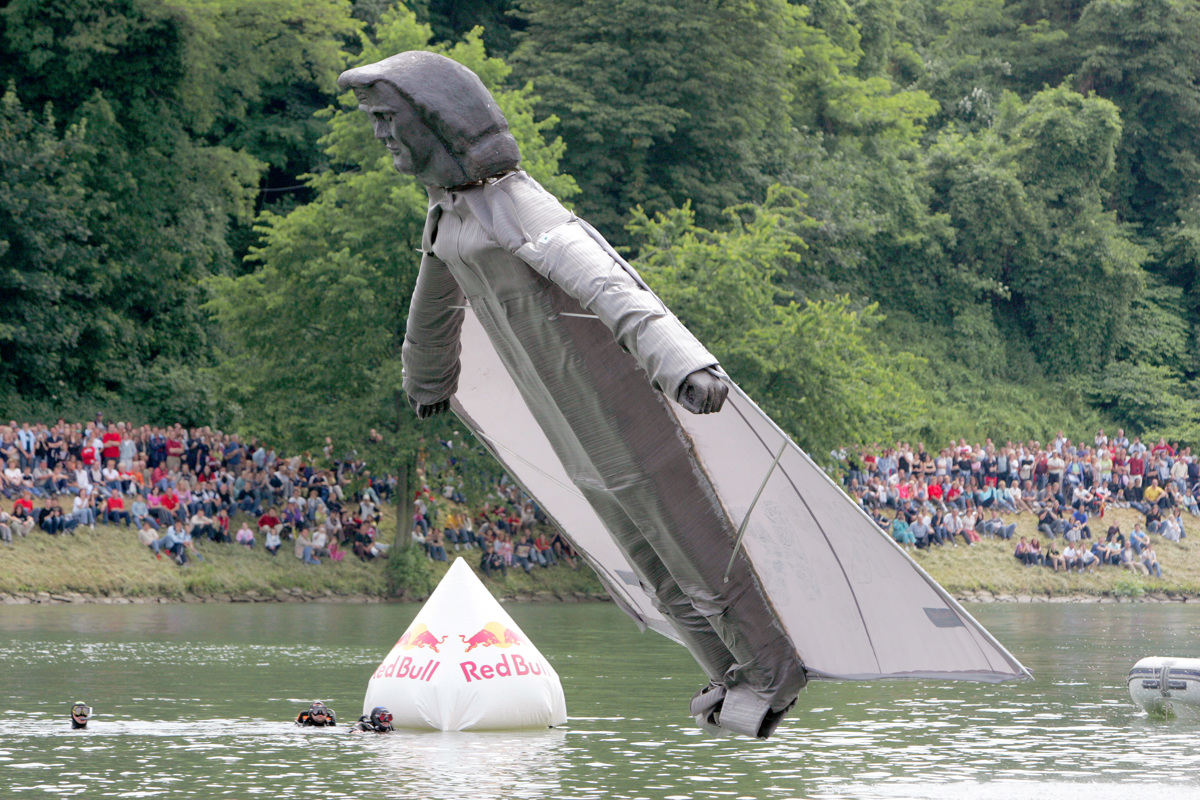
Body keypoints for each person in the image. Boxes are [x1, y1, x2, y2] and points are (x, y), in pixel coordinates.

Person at [339, 50, 804, 739]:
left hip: (622, 409)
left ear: (436, 123)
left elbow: (609, 284)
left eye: (387, 119)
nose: (380, 135)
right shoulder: (450, 218)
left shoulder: (518, 209)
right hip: (566, 421)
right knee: (645, 557)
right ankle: (724, 671)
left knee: (691, 546)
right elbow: (431, 312)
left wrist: (682, 366)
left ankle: (772, 674)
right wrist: (428, 381)